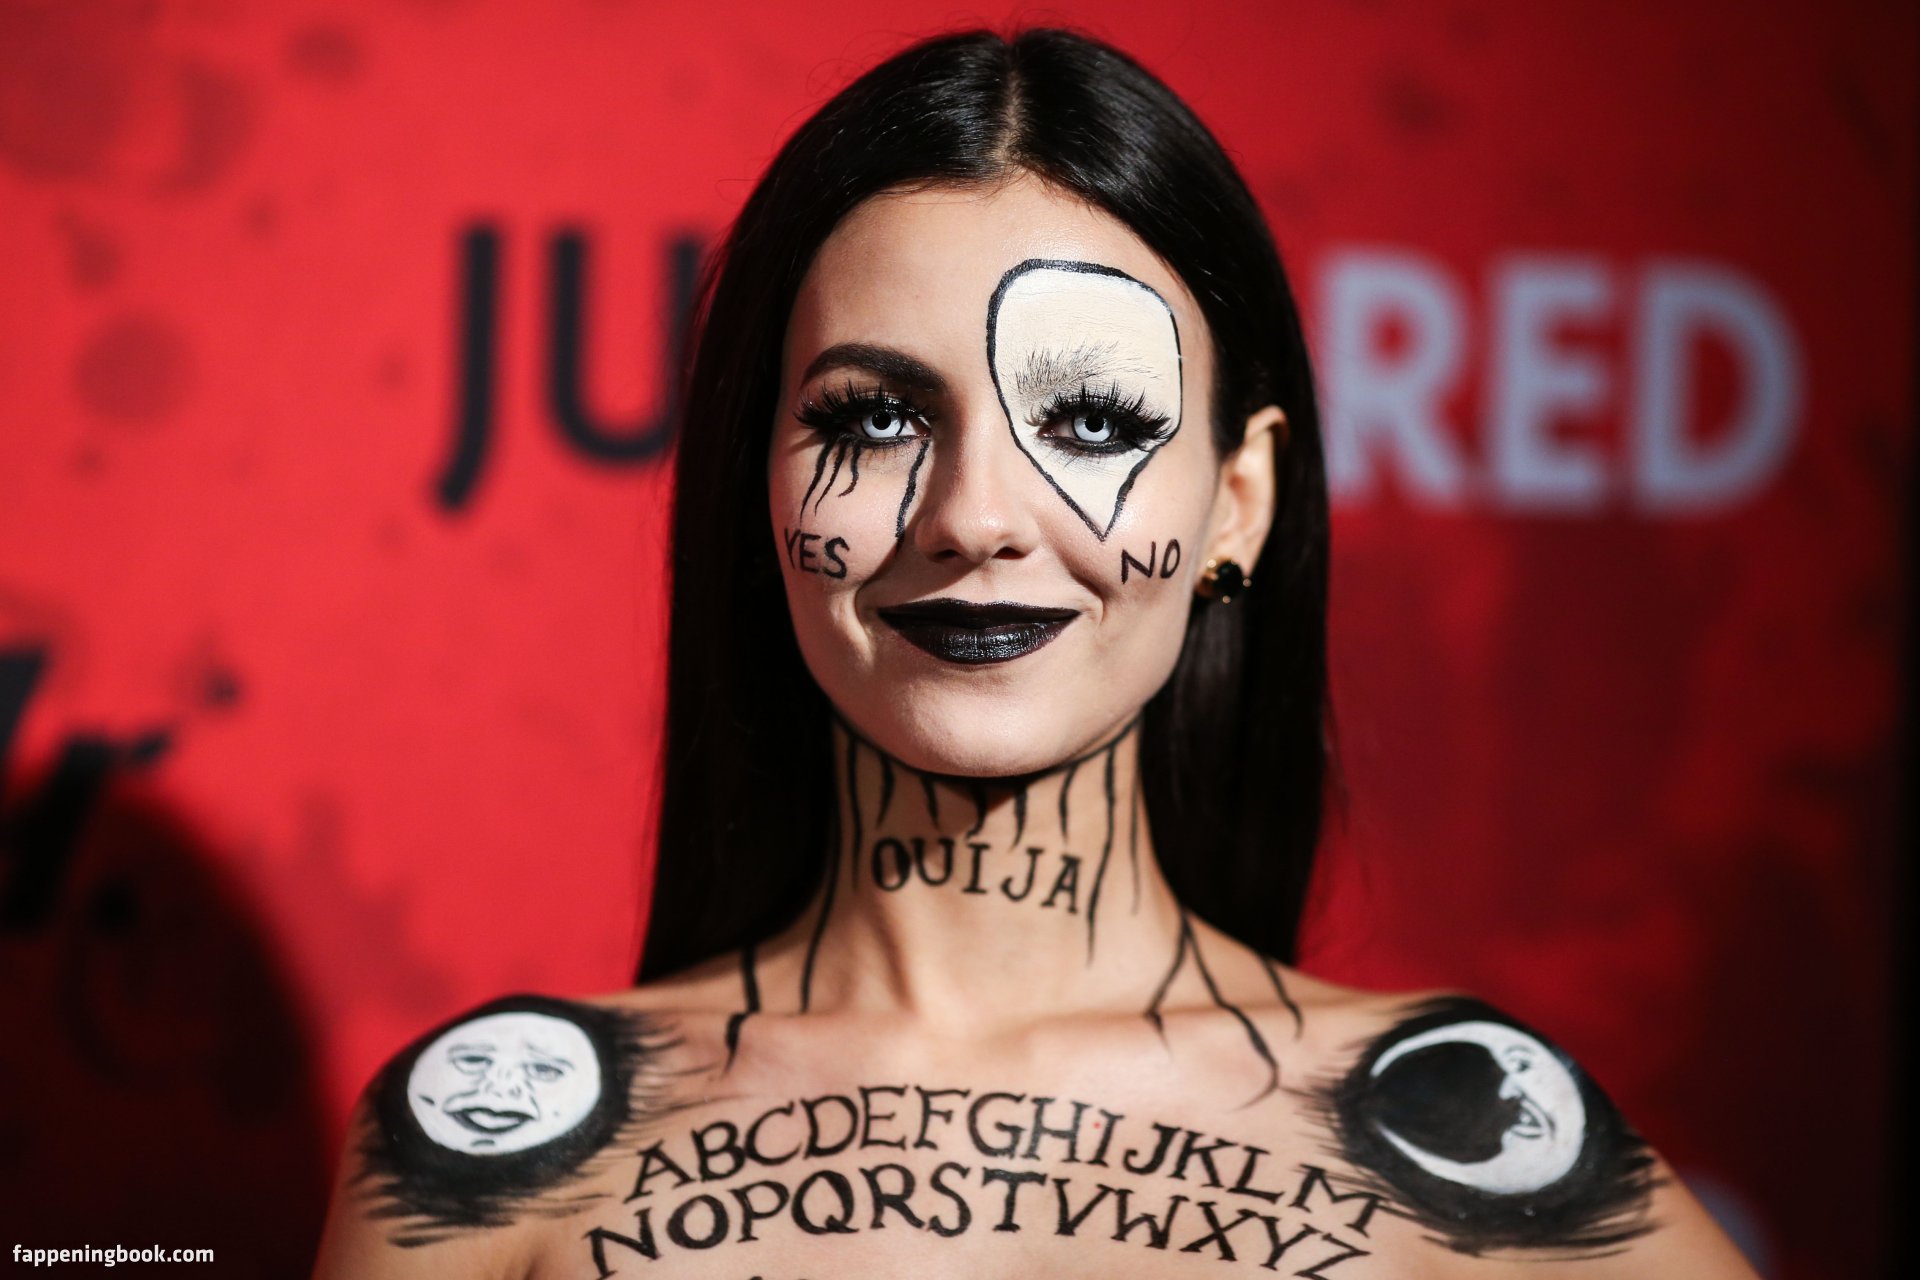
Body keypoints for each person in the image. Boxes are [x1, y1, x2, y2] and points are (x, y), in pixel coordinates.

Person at [312, 25, 1759, 1278]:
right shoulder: (495, 1152)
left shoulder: (1472, 1146)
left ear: (1237, 501)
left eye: (1094, 423)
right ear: (757, 485)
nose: (976, 517)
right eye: (876, 417)